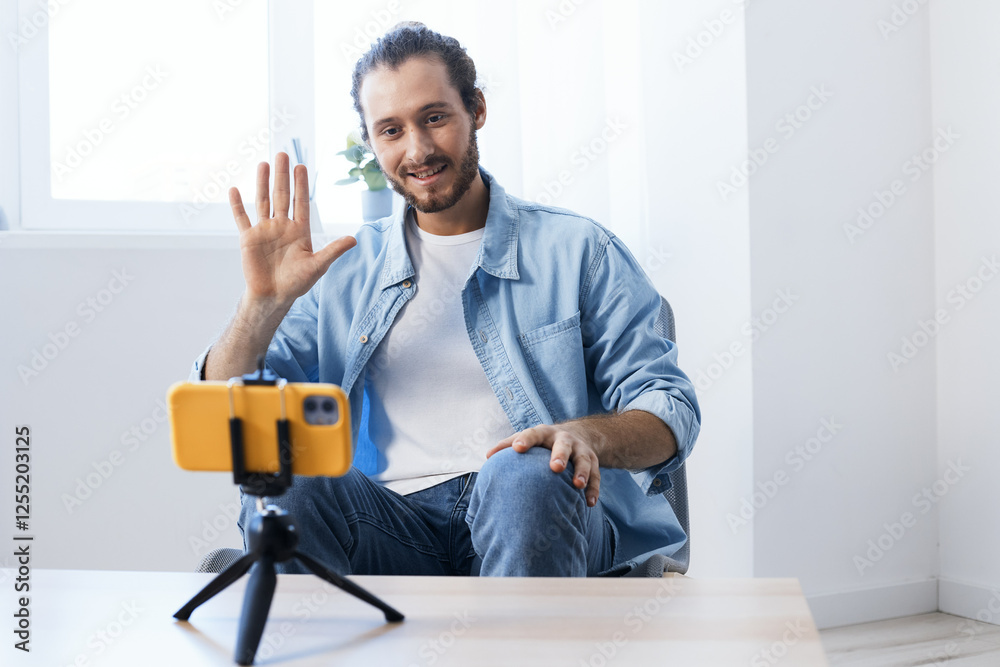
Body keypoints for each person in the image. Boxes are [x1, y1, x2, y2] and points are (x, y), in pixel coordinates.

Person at [190, 22, 700, 577]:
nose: (418, 150)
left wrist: (583, 435)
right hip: (390, 529)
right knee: (289, 475)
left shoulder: (579, 250)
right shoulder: (345, 271)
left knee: (527, 473)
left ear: (475, 108)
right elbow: (222, 412)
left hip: (537, 509)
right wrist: (260, 305)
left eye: (434, 117)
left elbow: (668, 409)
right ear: (371, 143)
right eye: (391, 130)